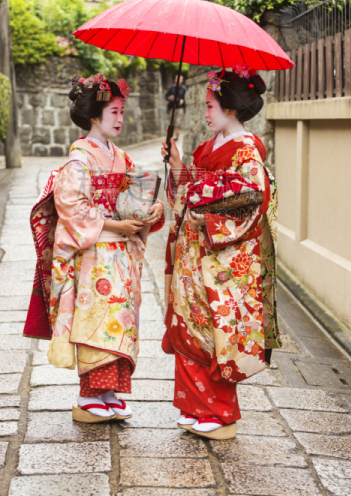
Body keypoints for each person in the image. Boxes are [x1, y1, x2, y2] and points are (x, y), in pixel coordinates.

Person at [24, 73, 165, 423]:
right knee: (96, 320)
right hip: (93, 253)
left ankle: (110, 393)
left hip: (122, 254)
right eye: (114, 112)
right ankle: (89, 395)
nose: (120, 119)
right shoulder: (80, 159)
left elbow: (136, 195)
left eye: (122, 112)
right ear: (94, 116)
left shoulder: (122, 157)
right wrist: (116, 225)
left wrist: (152, 208)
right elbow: (72, 208)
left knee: (121, 319)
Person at [161, 67, 280, 440]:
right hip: (192, 253)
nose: (205, 113)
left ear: (230, 109)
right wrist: (176, 163)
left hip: (220, 256)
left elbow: (254, 202)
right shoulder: (208, 147)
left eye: (210, 106)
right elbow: (190, 189)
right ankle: (195, 407)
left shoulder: (246, 150)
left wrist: (210, 220)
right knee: (189, 325)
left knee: (217, 328)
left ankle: (219, 411)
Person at [165, 74, 187, 141]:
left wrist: (183, 100)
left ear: (182, 80)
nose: (179, 80)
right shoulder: (171, 88)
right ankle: (174, 134)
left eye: (180, 79)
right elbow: (166, 96)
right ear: (175, 80)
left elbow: (187, 98)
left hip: (180, 107)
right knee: (172, 122)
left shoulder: (184, 89)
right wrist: (169, 98)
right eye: (177, 79)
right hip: (172, 107)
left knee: (178, 122)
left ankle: (175, 135)